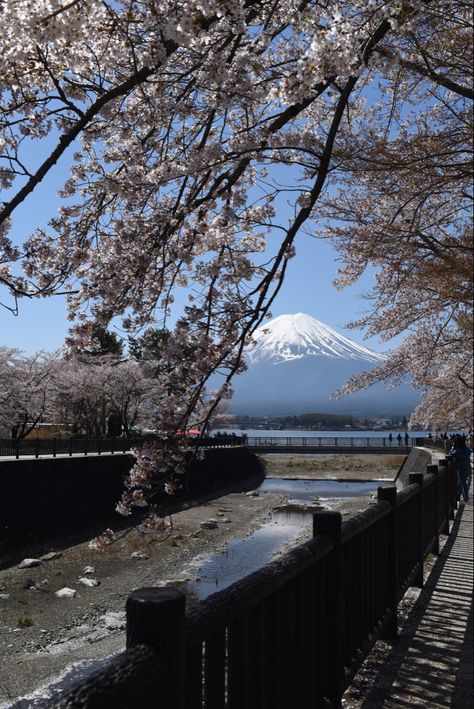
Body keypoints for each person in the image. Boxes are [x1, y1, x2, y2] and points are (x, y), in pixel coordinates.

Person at [449, 435, 472, 502]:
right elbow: (470, 450)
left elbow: (450, 454)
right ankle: (462, 495)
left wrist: (453, 448)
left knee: (462, 482)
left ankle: (465, 497)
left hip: (460, 467)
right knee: (462, 481)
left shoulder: (457, 451)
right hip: (467, 466)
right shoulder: (466, 449)